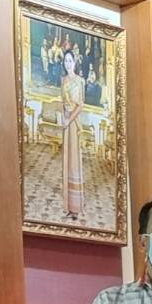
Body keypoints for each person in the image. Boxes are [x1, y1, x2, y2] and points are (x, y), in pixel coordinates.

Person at [59, 49, 86, 216]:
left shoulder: (80, 81)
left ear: (75, 62)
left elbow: (81, 105)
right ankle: (68, 204)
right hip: (66, 123)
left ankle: (76, 206)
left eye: (70, 60)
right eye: (65, 61)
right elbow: (63, 102)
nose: (68, 63)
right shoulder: (63, 80)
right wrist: (64, 118)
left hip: (74, 123)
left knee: (75, 160)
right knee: (67, 160)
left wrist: (69, 120)